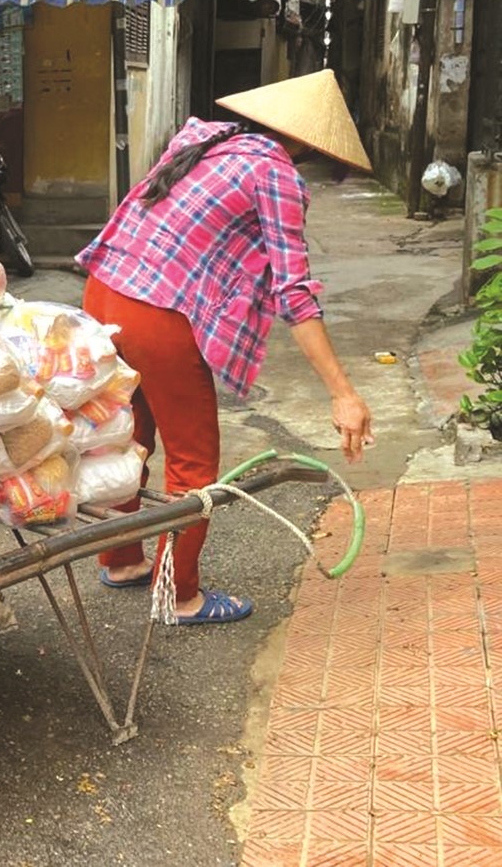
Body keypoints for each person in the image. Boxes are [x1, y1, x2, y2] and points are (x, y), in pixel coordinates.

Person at [76, 70, 374, 625]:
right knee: (192, 462)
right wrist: (343, 393)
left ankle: (120, 560)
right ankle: (180, 596)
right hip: (157, 313)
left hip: (104, 292)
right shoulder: (275, 172)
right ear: (308, 141)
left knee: (131, 436)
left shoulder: (203, 140)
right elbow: (295, 291)